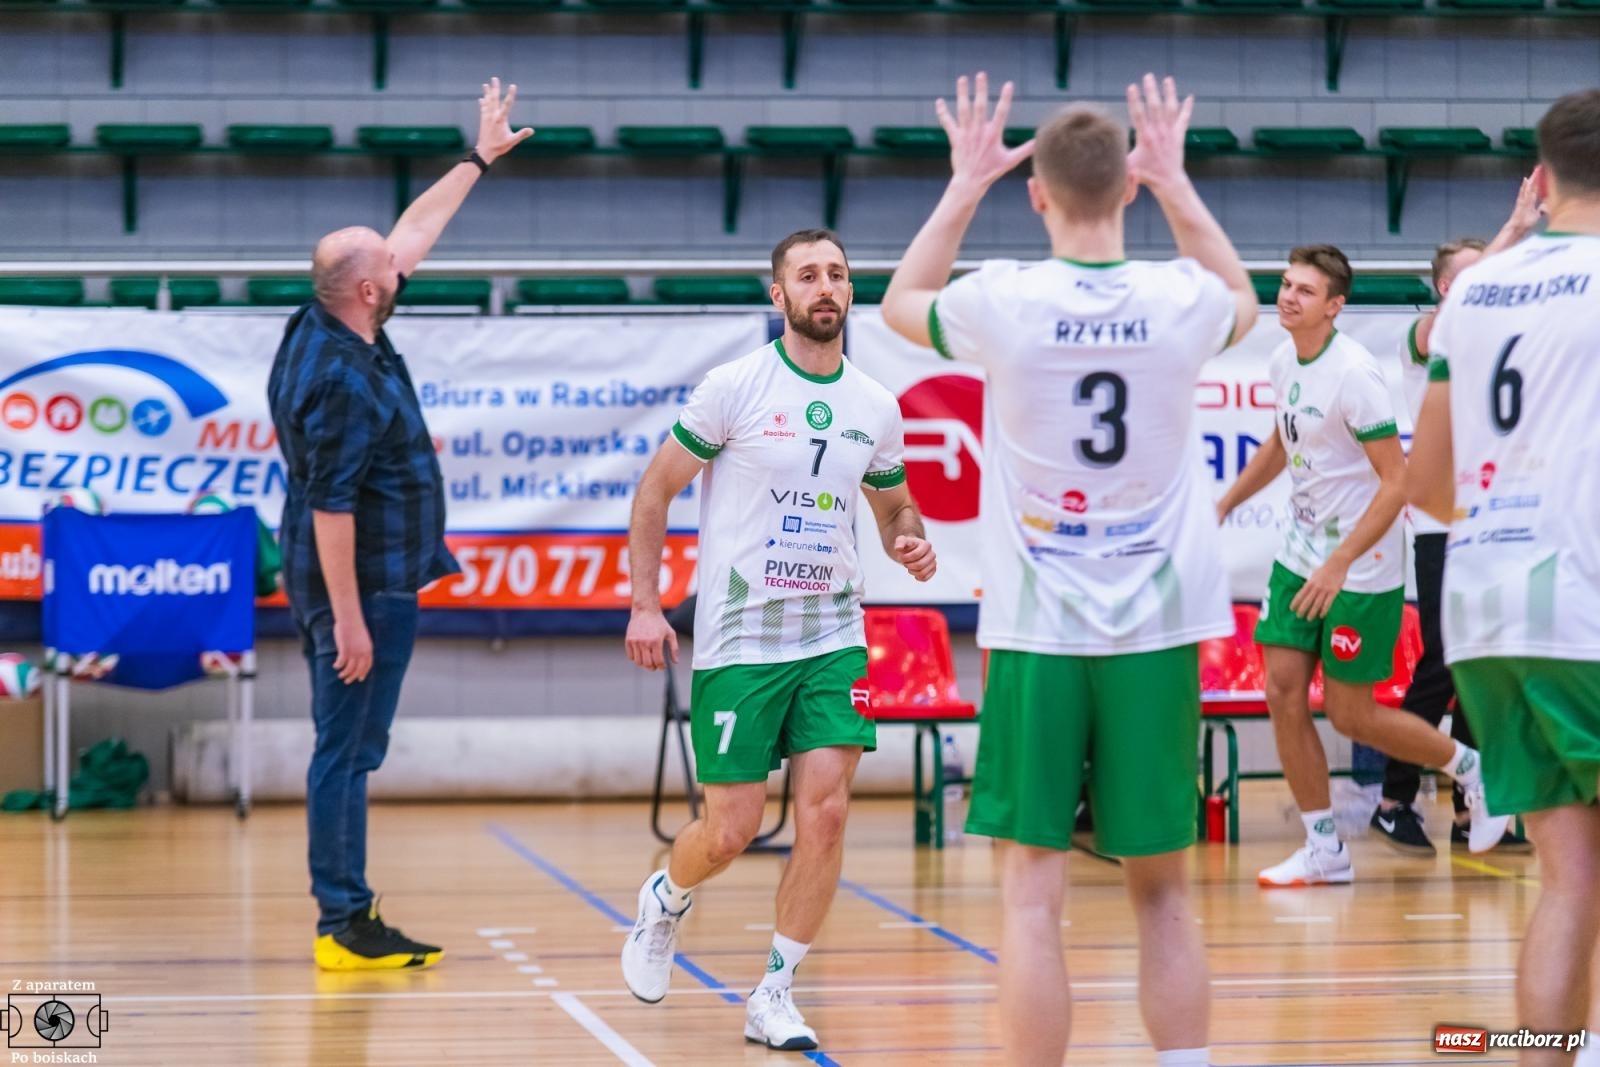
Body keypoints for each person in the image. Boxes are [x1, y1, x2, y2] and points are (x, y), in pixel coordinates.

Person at [881, 72, 1258, 1067]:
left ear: (1036, 191)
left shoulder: (1001, 299)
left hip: (1039, 629)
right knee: (1165, 889)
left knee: (1030, 893)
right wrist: (1178, 180)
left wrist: (965, 182)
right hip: (1156, 625)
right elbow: (1247, 301)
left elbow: (896, 302)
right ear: (1127, 188)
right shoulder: (1182, 299)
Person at [620, 227, 937, 1051]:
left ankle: (775, 989)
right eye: (808, 275)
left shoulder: (875, 403)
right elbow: (654, 493)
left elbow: (895, 504)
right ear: (779, 296)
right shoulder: (735, 387)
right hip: (740, 638)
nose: (825, 285)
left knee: (826, 814)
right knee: (729, 830)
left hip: (834, 633)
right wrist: (646, 604)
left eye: (837, 272)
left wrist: (909, 534)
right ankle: (667, 897)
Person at [267, 79, 532, 971]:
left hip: (366, 574)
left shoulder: (329, 313)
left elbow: (410, 233)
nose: (402, 259)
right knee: (344, 749)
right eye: (390, 265)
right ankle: (343, 920)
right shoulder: (340, 378)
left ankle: (348, 906)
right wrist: (348, 617)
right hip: (361, 584)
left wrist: (478, 158)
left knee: (351, 746)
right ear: (371, 289)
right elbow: (333, 507)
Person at [1216, 244, 1511, 889]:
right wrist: (1225, 503)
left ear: (1335, 306)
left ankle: (1470, 767)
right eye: (1286, 284)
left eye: (1304, 290)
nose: (1288, 296)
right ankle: (1324, 848)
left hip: (1362, 562)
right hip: (1300, 553)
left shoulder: (1355, 375)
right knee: (1283, 691)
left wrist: (1340, 562)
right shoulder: (1279, 359)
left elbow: (1397, 483)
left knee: (1351, 714)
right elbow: (1281, 438)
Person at [1408, 89, 1600, 1067]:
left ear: (1539, 176)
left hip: (1483, 607)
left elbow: (1428, 482)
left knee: (1570, 875)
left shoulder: (1472, 293)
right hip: (1581, 606)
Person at [1371, 181, 1542, 857]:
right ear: (1443, 286)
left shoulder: (1502, 343)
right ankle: (1393, 798)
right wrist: (1513, 231)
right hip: (1442, 524)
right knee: (1441, 662)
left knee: (1486, 661)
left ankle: (1477, 809)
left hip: (1496, 520)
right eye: (1471, 277)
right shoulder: (1424, 336)